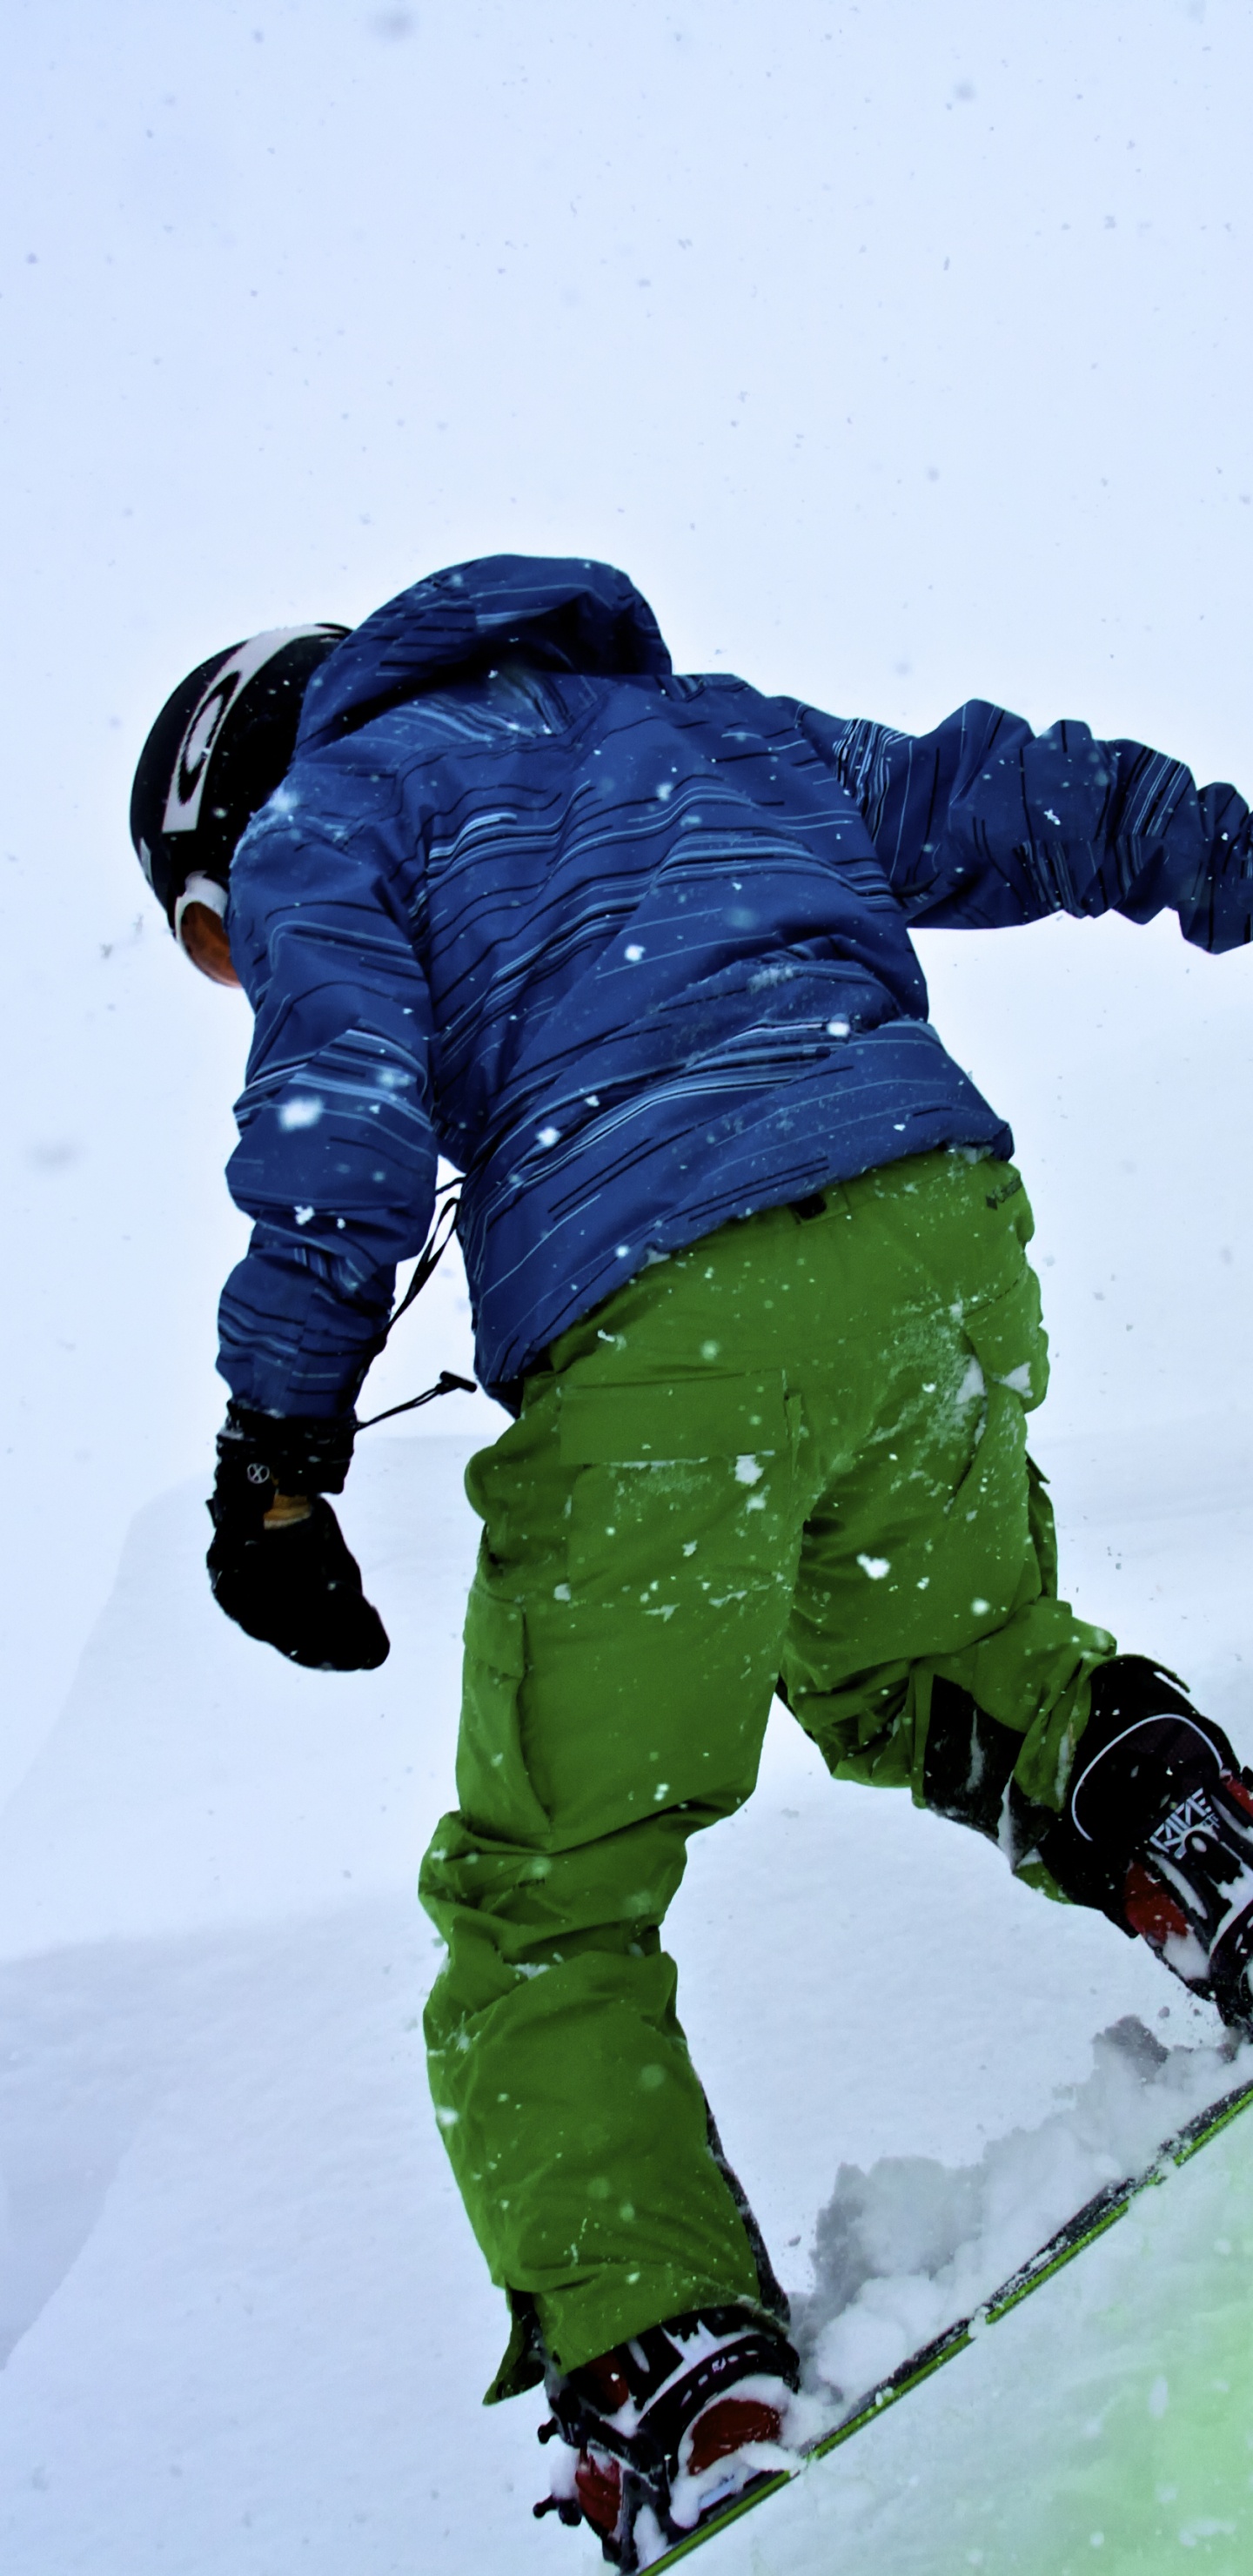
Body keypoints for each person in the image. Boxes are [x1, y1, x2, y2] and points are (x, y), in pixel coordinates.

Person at [131, 555, 1253, 2571]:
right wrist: (1222, 856)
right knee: (960, 1656)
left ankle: (674, 2370)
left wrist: (276, 1450)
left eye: (218, 948)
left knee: (544, 1898)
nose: (244, 970)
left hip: (662, 1321)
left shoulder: (330, 812)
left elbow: (345, 1118)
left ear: (234, 818)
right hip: (928, 1225)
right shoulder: (710, 724)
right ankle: (1218, 1861)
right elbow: (1009, 796)